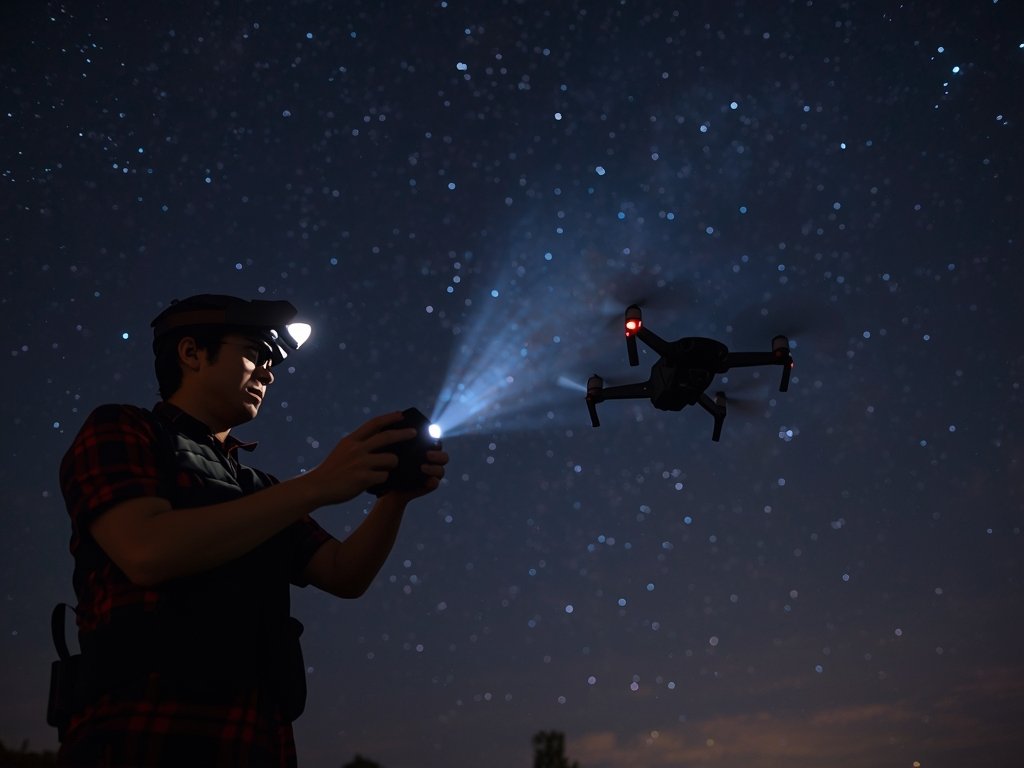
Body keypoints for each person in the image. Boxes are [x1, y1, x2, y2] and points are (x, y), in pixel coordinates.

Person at [55, 294, 448, 767]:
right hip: (144, 731)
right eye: (255, 353)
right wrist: (318, 485)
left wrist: (395, 497)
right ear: (192, 353)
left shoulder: (259, 489)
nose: (268, 372)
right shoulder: (122, 428)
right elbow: (145, 550)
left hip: (257, 739)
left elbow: (344, 574)